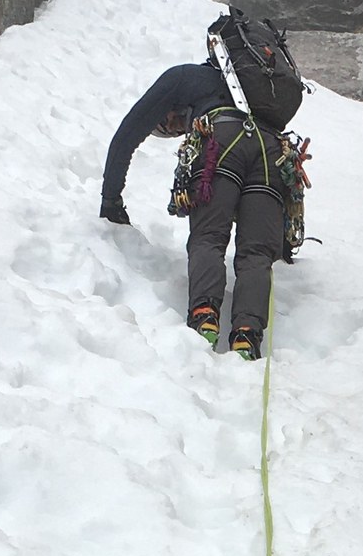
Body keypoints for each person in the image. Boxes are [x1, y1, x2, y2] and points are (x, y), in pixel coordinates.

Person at [99, 60, 284, 359]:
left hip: (219, 141)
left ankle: (204, 316)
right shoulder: (256, 89)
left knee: (208, 236)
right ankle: (247, 335)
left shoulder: (182, 77)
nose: (175, 131)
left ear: (171, 110)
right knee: (257, 253)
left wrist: (111, 201)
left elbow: (126, 136)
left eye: (169, 126)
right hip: (273, 152)